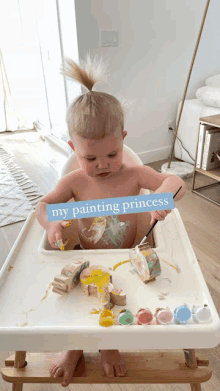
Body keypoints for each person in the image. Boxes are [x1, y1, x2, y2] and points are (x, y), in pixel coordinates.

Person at [35, 53, 186, 387]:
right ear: (73, 147)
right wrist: (51, 224)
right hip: (86, 257)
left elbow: (175, 182)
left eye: (111, 154)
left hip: (129, 256)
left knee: (120, 302)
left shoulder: (133, 174)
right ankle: (74, 347)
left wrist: (165, 198)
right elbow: (43, 206)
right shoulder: (75, 181)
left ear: (123, 140)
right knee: (76, 304)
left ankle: (109, 346)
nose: (103, 164)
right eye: (90, 157)